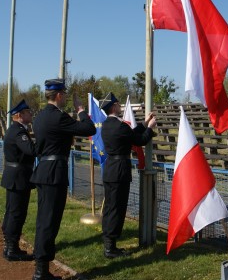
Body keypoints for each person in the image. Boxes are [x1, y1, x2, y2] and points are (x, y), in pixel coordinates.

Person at [30, 79, 96, 280]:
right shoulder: (58, 117)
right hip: (53, 173)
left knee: (45, 220)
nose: (66, 97)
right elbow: (89, 129)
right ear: (58, 95)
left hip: (44, 170)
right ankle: (41, 272)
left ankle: (42, 268)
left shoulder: (40, 116)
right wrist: (81, 110)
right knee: (49, 222)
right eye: (65, 94)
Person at [100, 92, 157, 258]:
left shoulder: (107, 125)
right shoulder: (120, 126)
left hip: (110, 169)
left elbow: (130, 134)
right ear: (113, 107)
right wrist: (150, 128)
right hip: (119, 171)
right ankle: (110, 248)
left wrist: (144, 123)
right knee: (117, 208)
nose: (120, 106)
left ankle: (109, 243)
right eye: (118, 104)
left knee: (111, 207)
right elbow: (139, 140)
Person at [0, 99, 36, 262]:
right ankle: (12, 248)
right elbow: (30, 150)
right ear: (20, 115)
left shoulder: (13, 129)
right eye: (28, 112)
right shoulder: (19, 132)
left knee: (12, 211)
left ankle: (9, 246)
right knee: (17, 213)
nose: (31, 114)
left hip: (13, 175)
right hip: (19, 176)